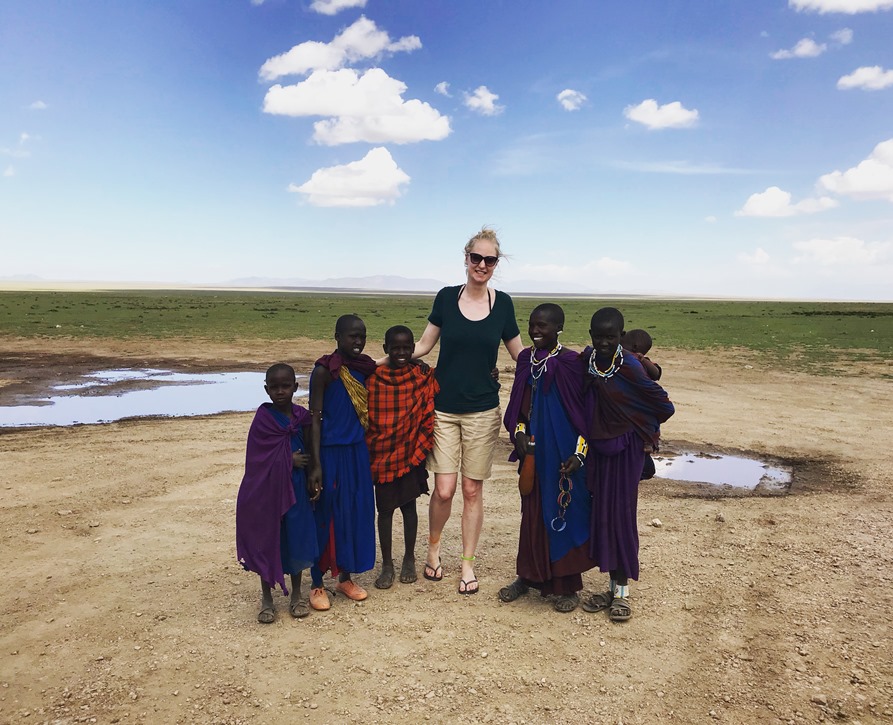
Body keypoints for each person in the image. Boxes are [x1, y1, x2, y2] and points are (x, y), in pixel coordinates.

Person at [409, 228, 524, 595]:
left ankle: (467, 566)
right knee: (444, 489)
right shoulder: (445, 298)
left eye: (490, 260)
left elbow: (521, 355)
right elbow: (424, 346)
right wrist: (374, 363)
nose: (482, 265)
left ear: (496, 264)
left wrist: (562, 366)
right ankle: (433, 550)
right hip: (442, 407)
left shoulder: (503, 304)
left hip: (482, 410)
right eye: (476, 258)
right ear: (466, 258)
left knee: (472, 490)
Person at [499, 304, 597, 612]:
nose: (536, 331)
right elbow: (520, 405)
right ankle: (527, 577)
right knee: (531, 513)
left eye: (543, 326)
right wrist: (517, 432)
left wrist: (580, 454)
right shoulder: (527, 359)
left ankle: (568, 587)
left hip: (564, 453)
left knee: (564, 512)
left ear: (559, 329)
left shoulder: (571, 363)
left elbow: (585, 415)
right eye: (532, 325)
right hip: (535, 450)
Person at [582, 307, 674, 622]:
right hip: (599, 449)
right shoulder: (590, 361)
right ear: (591, 336)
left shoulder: (631, 367)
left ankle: (622, 593)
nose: (604, 342)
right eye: (598, 337)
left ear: (621, 337)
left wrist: (639, 425)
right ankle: (610, 586)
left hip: (625, 451)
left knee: (621, 517)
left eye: (611, 337)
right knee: (602, 516)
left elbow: (664, 405)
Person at [236, 363, 320, 623]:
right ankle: (267, 599)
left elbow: (311, 448)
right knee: (268, 538)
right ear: (266, 389)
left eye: (286, 386)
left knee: (296, 538)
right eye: (275, 387)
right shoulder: (263, 420)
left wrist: (312, 476)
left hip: (296, 490)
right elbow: (256, 461)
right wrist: (287, 460)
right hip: (268, 492)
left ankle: (296, 596)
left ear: (295, 387)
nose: (280, 391)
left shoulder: (301, 418)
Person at [307, 314, 377, 610]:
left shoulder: (364, 369)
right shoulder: (325, 371)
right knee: (325, 513)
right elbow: (314, 418)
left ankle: (345, 577)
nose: (357, 341)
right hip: (330, 452)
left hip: (356, 452)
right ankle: (316, 582)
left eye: (361, 335)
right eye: (351, 336)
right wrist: (315, 464)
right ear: (337, 337)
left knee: (354, 512)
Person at [365, 325, 439, 589]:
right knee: (384, 511)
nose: (401, 352)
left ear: (413, 349)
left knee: (409, 506)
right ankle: (387, 564)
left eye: (407, 347)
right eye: (395, 348)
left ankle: (409, 558)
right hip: (382, 455)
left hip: (410, 452)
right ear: (385, 349)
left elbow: (443, 381)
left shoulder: (420, 375)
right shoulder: (374, 378)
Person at [622, 328, 662, 480]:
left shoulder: (635, 361)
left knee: (649, 425)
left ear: (634, 348)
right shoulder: (632, 360)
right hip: (640, 407)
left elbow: (657, 372)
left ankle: (648, 443)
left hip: (641, 405)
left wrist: (642, 359)